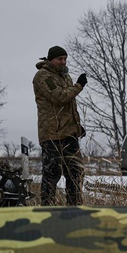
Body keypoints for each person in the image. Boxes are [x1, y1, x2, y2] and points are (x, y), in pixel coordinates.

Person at [33, 45, 87, 206]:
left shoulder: (65, 77)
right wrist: (79, 86)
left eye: (65, 59)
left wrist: (77, 126)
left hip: (69, 133)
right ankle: (47, 208)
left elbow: (69, 105)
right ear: (51, 60)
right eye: (59, 59)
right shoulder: (43, 76)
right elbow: (59, 97)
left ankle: (74, 208)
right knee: (52, 174)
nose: (63, 62)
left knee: (75, 172)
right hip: (52, 134)